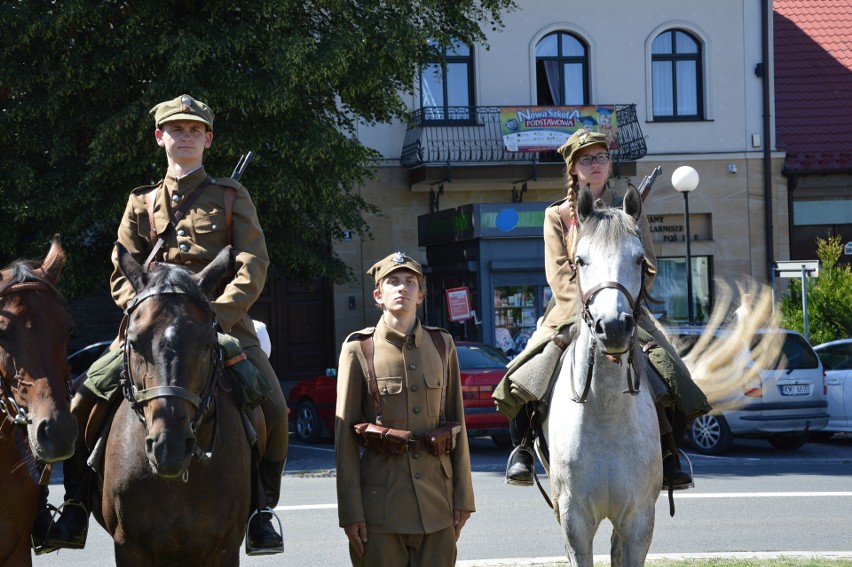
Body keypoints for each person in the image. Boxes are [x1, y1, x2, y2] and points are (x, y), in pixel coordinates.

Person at [34, 94, 288, 554]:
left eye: (194, 130)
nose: (185, 137)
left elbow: (253, 262)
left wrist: (218, 312)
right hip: (149, 327)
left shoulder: (232, 196)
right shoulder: (141, 201)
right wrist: (144, 313)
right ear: (160, 137)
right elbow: (120, 268)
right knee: (81, 402)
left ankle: (261, 511)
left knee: (273, 409)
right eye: (176, 130)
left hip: (220, 324)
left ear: (207, 139)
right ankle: (73, 504)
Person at [493, 128, 711, 490]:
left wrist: (625, 299)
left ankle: (671, 454)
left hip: (626, 309)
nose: (595, 165)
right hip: (569, 310)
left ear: (609, 163)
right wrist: (584, 309)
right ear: (574, 168)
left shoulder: (629, 210)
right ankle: (524, 448)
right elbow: (559, 272)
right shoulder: (559, 215)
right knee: (525, 372)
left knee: (673, 372)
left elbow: (649, 265)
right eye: (586, 159)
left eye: (601, 157)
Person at [335, 252, 475, 567]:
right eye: (393, 282)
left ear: (421, 294)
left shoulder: (442, 344)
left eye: (410, 282)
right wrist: (351, 513)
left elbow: (457, 424)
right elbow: (344, 439)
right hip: (380, 511)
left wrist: (463, 499)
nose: (402, 288)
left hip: (437, 505)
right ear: (378, 295)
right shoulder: (359, 349)